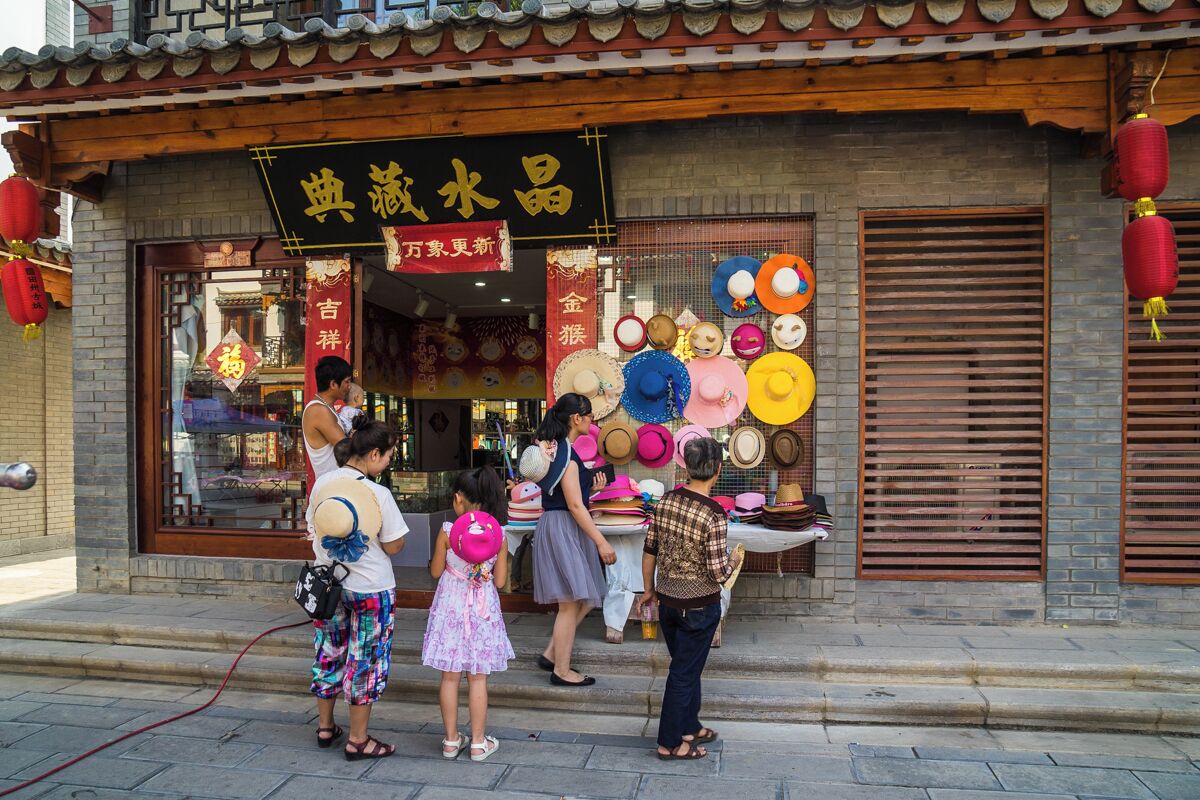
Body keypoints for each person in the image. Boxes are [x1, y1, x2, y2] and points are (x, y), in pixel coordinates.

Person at [635, 436, 743, 761]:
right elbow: (718, 573)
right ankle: (670, 743)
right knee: (683, 674)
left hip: (668, 603)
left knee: (687, 669)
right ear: (718, 470)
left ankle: (690, 726)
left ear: (687, 466)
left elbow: (649, 549)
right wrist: (734, 561)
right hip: (699, 608)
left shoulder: (666, 501)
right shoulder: (714, 515)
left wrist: (648, 590)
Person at [307, 418, 407, 761]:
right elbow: (394, 546)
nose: (390, 461)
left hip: (328, 587)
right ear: (374, 453)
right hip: (371, 589)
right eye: (390, 455)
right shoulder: (378, 493)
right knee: (365, 660)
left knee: (329, 652)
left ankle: (324, 727)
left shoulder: (322, 484)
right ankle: (358, 739)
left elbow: (311, 529)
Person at [422, 467, 515, 762]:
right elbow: (500, 582)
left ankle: (451, 741)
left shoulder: (448, 532)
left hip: (450, 607)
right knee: (477, 679)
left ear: (458, 499)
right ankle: (477, 743)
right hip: (481, 610)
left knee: (449, 678)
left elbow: (436, 571)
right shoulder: (498, 534)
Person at [531, 393, 617, 687]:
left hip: (561, 524)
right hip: (564, 525)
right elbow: (575, 506)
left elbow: (571, 499)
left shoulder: (557, 449)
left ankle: (552, 654)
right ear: (576, 419)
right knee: (570, 603)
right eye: (590, 414)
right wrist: (601, 542)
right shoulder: (566, 453)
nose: (593, 419)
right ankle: (562, 671)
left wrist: (591, 490)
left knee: (583, 598)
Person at [304, 355, 353, 480]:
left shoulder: (328, 408)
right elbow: (346, 448)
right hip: (331, 487)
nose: (349, 386)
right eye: (347, 381)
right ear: (333, 384)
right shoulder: (318, 410)